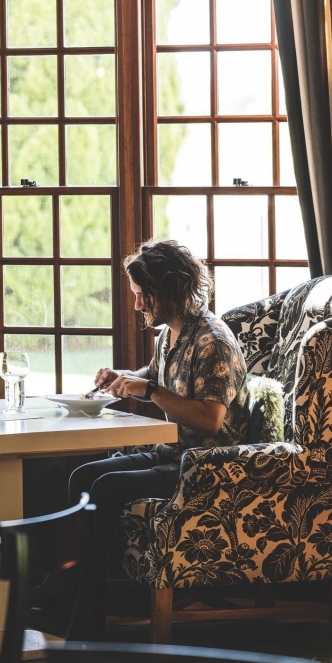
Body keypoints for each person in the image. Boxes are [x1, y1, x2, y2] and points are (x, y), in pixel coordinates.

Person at [36, 240, 249, 627]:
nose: (137, 305)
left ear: (169, 290)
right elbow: (154, 376)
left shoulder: (213, 342)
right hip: (171, 454)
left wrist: (147, 392)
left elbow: (210, 419)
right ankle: (66, 590)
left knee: (103, 488)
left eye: (142, 295)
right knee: (82, 474)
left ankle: (83, 613)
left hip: (203, 468)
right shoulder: (171, 334)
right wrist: (123, 377)